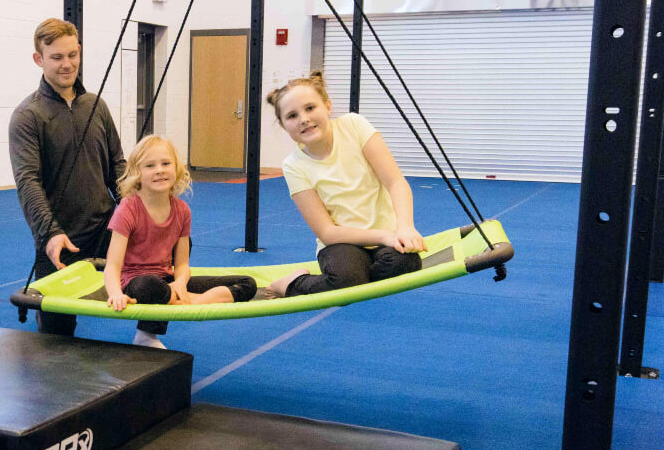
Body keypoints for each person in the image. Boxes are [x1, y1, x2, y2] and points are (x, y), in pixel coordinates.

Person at [9, 17, 165, 344]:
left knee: (162, 252)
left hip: (108, 229)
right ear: (38, 59)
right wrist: (50, 233)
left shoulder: (96, 106)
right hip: (60, 239)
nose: (67, 65)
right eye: (56, 58)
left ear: (79, 51)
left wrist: (142, 209)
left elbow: (119, 169)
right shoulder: (28, 117)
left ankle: (147, 334)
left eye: (72, 55)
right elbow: (28, 182)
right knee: (56, 338)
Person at [265, 71, 427, 298]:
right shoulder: (294, 165)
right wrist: (384, 237)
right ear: (284, 125)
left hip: (388, 236)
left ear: (328, 105)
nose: (303, 119)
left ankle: (361, 275)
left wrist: (405, 227)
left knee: (406, 264)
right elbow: (327, 232)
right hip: (341, 243)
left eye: (310, 108)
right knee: (346, 281)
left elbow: (395, 182)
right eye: (292, 116)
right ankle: (291, 283)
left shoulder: (354, 125)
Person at [104, 135, 257, 347]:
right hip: (137, 282)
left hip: (167, 281)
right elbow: (112, 265)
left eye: (166, 163)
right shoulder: (128, 209)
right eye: (150, 165)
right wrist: (115, 294)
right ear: (137, 174)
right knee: (146, 286)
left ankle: (191, 301)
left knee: (247, 284)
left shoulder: (182, 211)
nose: (159, 170)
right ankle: (154, 329)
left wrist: (180, 284)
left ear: (176, 168)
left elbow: (183, 264)